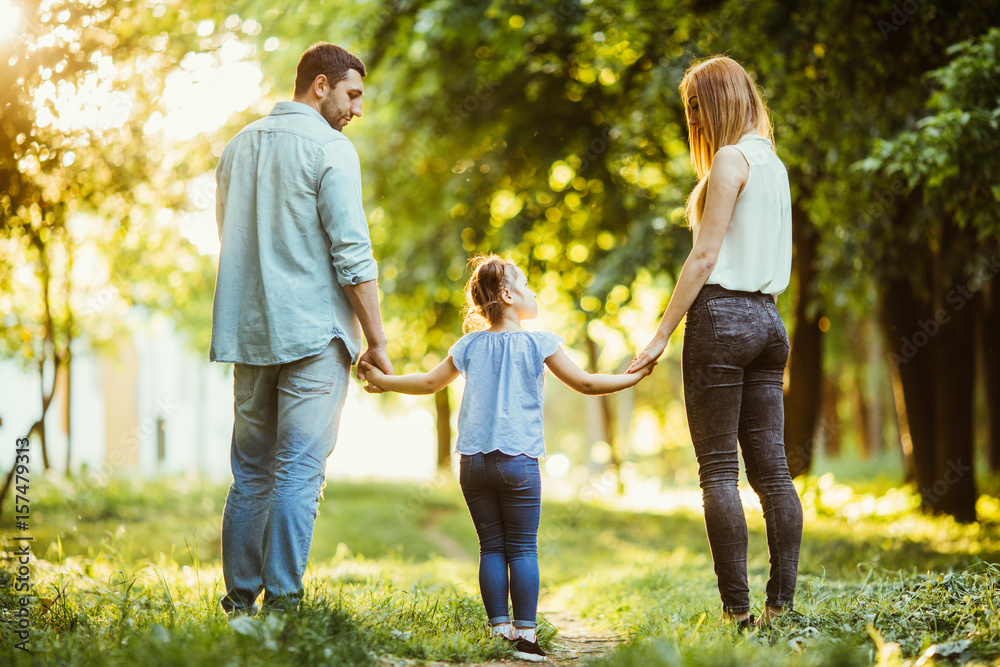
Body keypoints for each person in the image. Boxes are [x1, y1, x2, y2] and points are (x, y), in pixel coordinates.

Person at [360, 255, 653, 661]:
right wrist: (632, 376)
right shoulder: (540, 342)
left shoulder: (468, 345)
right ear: (507, 294)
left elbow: (428, 383)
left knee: (491, 548)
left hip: (472, 464)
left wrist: (383, 380)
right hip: (518, 461)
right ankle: (526, 637)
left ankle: (499, 630)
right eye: (526, 284)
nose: (533, 292)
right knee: (523, 548)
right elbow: (586, 384)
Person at [210, 42, 393, 615]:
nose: (356, 109)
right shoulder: (331, 148)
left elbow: (232, 237)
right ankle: (283, 609)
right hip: (315, 336)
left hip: (250, 336)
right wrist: (377, 340)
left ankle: (240, 609)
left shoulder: (237, 148)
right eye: (352, 95)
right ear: (320, 85)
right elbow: (353, 255)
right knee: (296, 472)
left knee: (250, 476)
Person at [627, 56, 802, 628]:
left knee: (720, 472)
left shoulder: (731, 160)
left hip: (721, 318)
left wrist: (660, 334)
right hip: (769, 323)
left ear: (722, 99)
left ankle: (737, 614)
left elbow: (704, 257)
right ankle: (780, 607)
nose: (694, 122)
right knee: (773, 472)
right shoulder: (774, 164)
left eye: (697, 107)